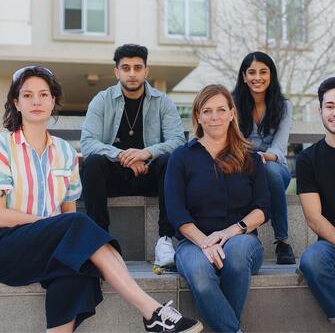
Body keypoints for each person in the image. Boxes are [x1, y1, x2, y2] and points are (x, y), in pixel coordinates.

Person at [0, 66, 203, 333]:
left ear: (53, 101)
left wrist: (59, 228)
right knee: (77, 229)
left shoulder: (65, 152)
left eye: (43, 94)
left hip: (52, 245)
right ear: (16, 102)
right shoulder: (4, 146)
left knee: (77, 272)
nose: (36, 101)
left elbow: (68, 211)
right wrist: (48, 224)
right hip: (9, 246)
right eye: (27, 95)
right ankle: (151, 311)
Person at [165, 84, 270, 333]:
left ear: (232, 114)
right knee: (199, 273)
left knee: (235, 254)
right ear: (198, 116)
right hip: (193, 242)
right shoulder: (181, 157)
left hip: (242, 240)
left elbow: (263, 209)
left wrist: (230, 232)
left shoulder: (250, 157)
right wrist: (205, 243)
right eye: (207, 111)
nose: (215, 117)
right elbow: (176, 212)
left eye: (221, 110)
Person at [80, 44, 186, 269]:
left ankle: (165, 239)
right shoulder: (102, 100)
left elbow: (178, 141)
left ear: (146, 71)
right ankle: (99, 241)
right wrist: (124, 156)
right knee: (92, 163)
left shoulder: (163, 102)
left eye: (138, 67)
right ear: (117, 72)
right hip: (114, 177)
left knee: (170, 160)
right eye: (126, 68)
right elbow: (88, 143)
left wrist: (146, 153)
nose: (132, 73)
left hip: (150, 176)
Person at [297, 77, 335, 333]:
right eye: (330, 106)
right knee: (311, 262)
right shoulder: (307, 159)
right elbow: (313, 218)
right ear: (320, 110)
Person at [233, 51, 296, 265]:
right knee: (239, 171)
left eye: (263, 72)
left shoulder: (284, 106)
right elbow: (233, 142)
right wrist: (249, 157)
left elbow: (279, 148)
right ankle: (249, 231)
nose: (257, 77)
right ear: (243, 76)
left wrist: (261, 156)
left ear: (271, 75)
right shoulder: (233, 104)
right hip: (244, 167)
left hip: (274, 168)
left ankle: (283, 241)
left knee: (267, 170)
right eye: (251, 72)